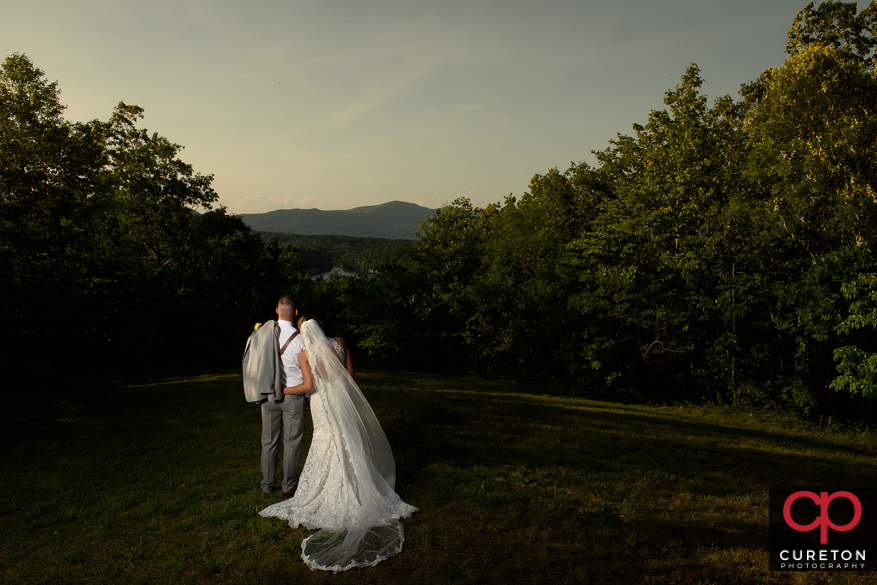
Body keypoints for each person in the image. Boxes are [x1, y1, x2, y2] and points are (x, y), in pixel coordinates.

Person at [259, 317, 418, 572]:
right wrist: (339, 390)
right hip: (341, 399)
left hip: (321, 402)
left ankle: (328, 489)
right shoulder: (340, 342)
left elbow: (309, 386)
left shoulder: (305, 353)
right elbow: (350, 374)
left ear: (304, 333)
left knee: (326, 441)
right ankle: (360, 484)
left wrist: (282, 389)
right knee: (347, 439)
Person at [259, 295, 306, 499]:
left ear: (277, 311)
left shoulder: (261, 336)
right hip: (294, 397)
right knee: (292, 443)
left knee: (268, 441)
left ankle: (267, 484)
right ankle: (289, 487)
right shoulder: (301, 339)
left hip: (269, 396)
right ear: (295, 313)